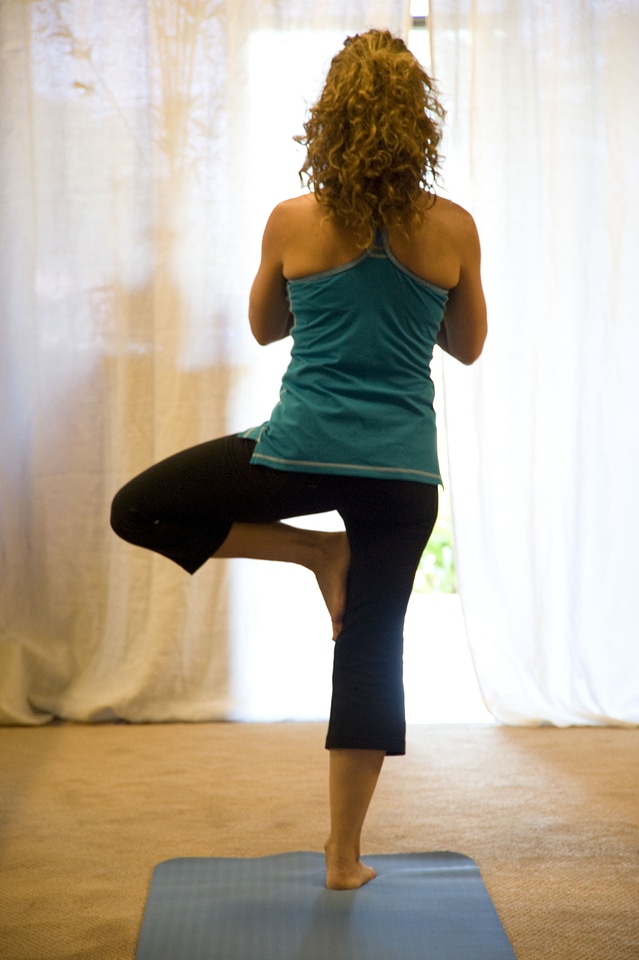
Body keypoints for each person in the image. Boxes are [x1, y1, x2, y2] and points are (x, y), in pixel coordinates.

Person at [110, 29, 486, 890]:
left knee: (138, 507)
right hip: (400, 474)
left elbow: (264, 326)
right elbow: (465, 346)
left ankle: (314, 549)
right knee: (369, 650)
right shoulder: (453, 227)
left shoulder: (293, 220)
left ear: (330, 119)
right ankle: (343, 857)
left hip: (298, 456)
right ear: (416, 121)